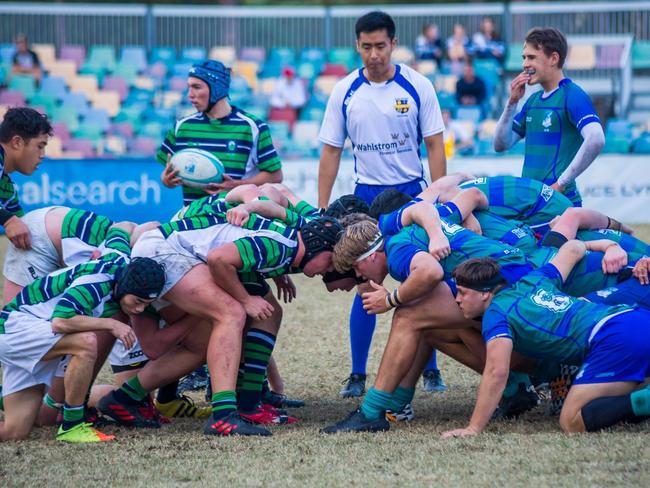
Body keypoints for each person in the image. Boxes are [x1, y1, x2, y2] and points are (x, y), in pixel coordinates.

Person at [317, 10, 447, 398]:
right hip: (367, 200)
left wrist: (436, 197)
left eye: (381, 46)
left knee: (419, 283)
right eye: (366, 46)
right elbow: (330, 151)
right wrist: (323, 209)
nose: (374, 54)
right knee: (366, 286)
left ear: (393, 43)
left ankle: (432, 370)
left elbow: (435, 144)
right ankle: (358, 374)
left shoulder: (417, 84)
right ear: (357, 46)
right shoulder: (344, 91)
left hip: (412, 196)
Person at [442, 241, 650, 437]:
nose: (457, 299)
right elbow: (572, 249)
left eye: (462, 292)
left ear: (485, 294)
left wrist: (473, 428)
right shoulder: (533, 279)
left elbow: (497, 372)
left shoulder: (496, 314)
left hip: (613, 337)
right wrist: (609, 246)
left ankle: (646, 401)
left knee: (571, 422)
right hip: (634, 316)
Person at [0, 225, 165, 442]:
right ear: (124, 287)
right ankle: (72, 425)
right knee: (86, 342)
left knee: (15, 432)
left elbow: (120, 227)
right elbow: (60, 321)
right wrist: (111, 324)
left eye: (147, 304)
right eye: (137, 302)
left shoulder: (120, 259)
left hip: (35, 334)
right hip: (16, 329)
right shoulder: (95, 282)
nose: (140, 310)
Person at [494, 28, 605, 206]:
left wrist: (560, 185)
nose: (525, 64)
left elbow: (596, 138)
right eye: (524, 58)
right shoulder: (532, 101)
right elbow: (500, 144)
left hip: (559, 203)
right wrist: (512, 102)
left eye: (531, 57)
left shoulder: (572, 95)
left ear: (553, 58)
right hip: (532, 202)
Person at [158, 60, 283, 206]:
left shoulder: (252, 126)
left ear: (217, 89)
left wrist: (238, 185)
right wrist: (167, 180)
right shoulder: (182, 126)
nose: (190, 95)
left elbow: (276, 176)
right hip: (192, 220)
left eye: (196, 87)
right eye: (189, 87)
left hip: (234, 221)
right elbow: (165, 177)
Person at [0, 107, 51, 251]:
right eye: (39, 146)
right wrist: (8, 221)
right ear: (17, 142)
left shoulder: (7, 189)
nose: (42, 155)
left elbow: (26, 227)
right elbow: (12, 221)